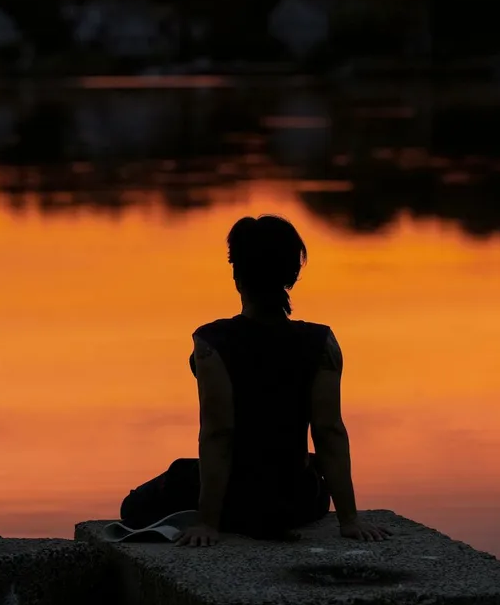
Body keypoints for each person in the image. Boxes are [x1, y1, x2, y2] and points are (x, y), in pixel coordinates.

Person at [119, 214, 391, 547]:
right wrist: (349, 519)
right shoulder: (322, 342)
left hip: (237, 502)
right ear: (292, 274)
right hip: (301, 501)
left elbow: (219, 433)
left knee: (134, 506)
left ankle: (212, 511)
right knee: (307, 465)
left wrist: (207, 522)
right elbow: (329, 430)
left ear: (237, 275)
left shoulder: (212, 343)